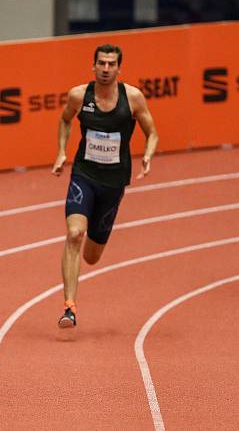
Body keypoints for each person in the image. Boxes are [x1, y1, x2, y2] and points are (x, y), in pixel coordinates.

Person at [51, 44, 159, 328]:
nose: (106, 69)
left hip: (114, 183)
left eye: (111, 64)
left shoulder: (133, 98)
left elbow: (153, 132)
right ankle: (69, 307)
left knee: (92, 256)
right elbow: (64, 121)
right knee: (74, 234)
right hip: (84, 175)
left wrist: (148, 155)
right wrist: (62, 151)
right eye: (101, 63)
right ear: (94, 66)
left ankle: (92, 246)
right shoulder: (79, 95)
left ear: (119, 68)